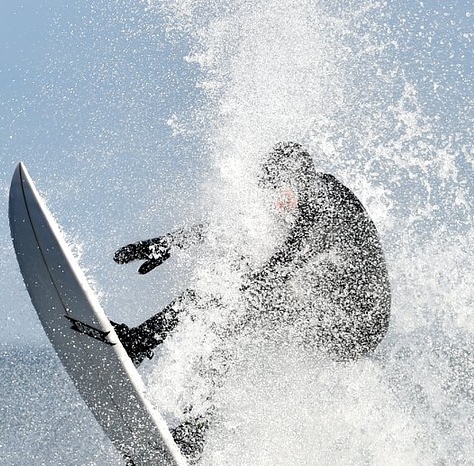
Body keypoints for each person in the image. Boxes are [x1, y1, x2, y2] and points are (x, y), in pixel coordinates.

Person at [110, 142, 391, 366]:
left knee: (231, 304)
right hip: (340, 317)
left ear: (296, 178)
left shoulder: (322, 198)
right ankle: (144, 346)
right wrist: (168, 243)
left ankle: (144, 348)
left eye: (278, 187)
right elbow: (238, 228)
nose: (275, 201)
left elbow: (288, 261)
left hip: (355, 320)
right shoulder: (301, 205)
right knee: (231, 292)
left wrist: (242, 290)